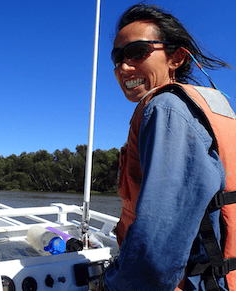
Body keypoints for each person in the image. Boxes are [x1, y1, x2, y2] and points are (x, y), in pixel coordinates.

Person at [95, 4, 236, 291]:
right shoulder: (211, 106)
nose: (123, 66)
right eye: (118, 57)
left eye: (137, 52)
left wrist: (109, 286)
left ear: (177, 57)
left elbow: (156, 254)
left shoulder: (166, 109)